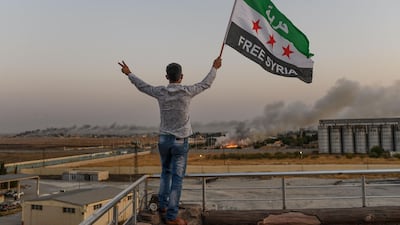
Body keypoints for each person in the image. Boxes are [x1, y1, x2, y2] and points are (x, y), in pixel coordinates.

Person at [118, 57, 222, 225]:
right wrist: (215, 67)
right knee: (177, 179)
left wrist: (128, 73)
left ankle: (164, 206)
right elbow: (206, 84)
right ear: (181, 77)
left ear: (167, 77)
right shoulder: (187, 91)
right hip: (180, 142)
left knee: (165, 173)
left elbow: (142, 86)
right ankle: (172, 217)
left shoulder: (161, 92)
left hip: (164, 140)